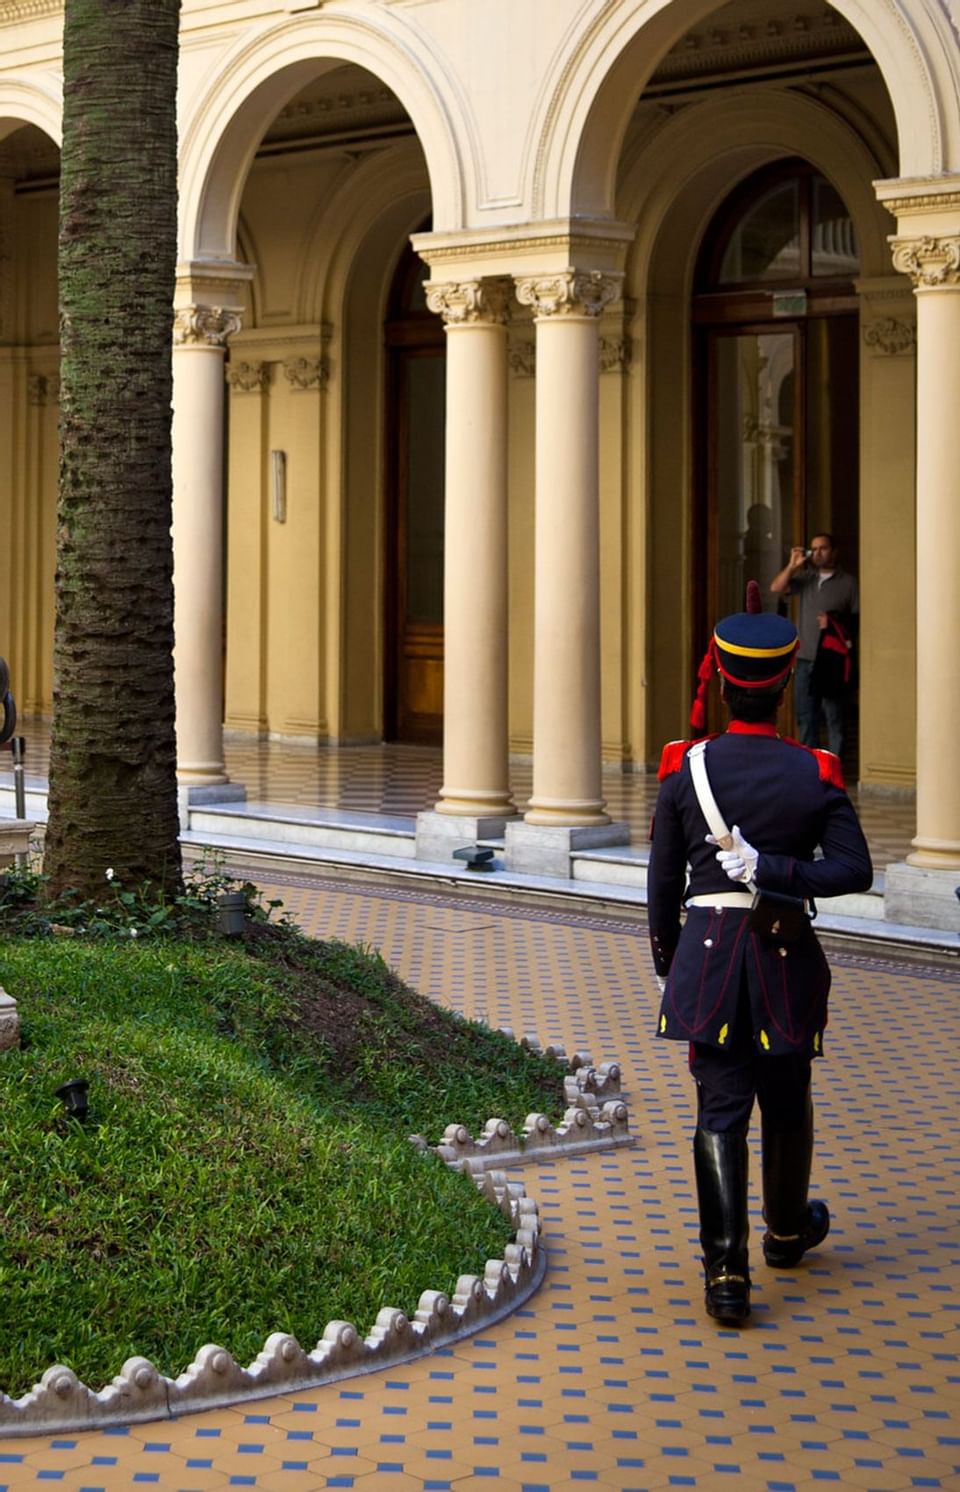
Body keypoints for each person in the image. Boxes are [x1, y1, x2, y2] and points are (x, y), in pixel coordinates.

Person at [647, 586, 872, 1327]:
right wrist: (778, 872)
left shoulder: (686, 768)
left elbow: (662, 883)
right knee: (785, 1097)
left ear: (722, 675)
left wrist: (671, 963)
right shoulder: (815, 772)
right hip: (782, 956)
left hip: (706, 959)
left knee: (720, 1111)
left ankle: (726, 1275)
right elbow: (853, 871)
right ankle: (783, 1233)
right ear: (784, 682)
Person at [769, 533, 858, 758]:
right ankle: (809, 766)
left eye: (823, 548)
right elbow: (776, 588)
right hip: (805, 657)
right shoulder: (806, 578)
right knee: (806, 716)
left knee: (834, 717)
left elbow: (858, 620)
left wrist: (833, 621)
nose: (818, 553)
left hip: (832, 660)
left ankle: (834, 766)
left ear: (834, 551)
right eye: (814, 549)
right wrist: (792, 566)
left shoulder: (848, 583)